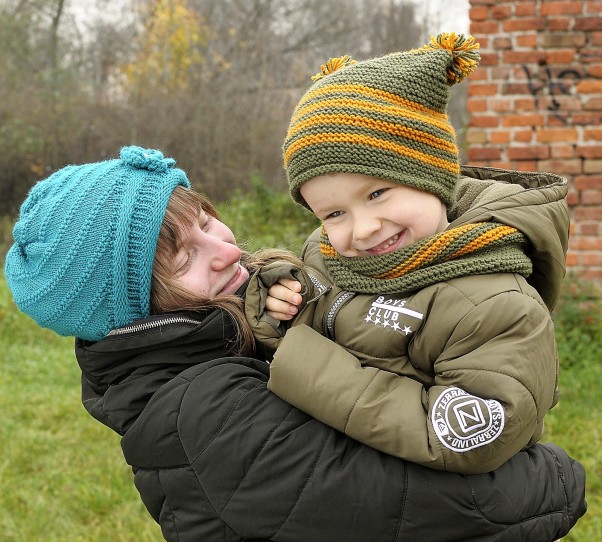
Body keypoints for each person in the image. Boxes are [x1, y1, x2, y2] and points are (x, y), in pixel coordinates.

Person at [4, 145, 586, 541]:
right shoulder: (207, 408)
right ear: (135, 312)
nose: (227, 250)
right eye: (187, 258)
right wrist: (554, 477)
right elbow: (417, 506)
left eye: (207, 221)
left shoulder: (224, 337)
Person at [244, 33, 571, 474]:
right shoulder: (325, 259)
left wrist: (301, 365)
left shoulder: (495, 306)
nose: (363, 229)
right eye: (334, 213)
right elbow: (323, 324)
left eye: (378, 193)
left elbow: (465, 439)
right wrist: (279, 309)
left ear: (431, 176)